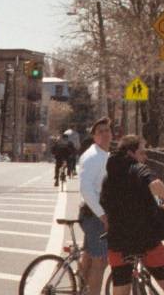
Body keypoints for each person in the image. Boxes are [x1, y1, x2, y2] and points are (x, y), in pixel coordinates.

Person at [100, 134, 164, 295]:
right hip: (146, 240)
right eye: (142, 152)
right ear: (131, 153)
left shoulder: (109, 175)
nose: (146, 156)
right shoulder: (137, 168)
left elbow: (104, 203)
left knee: (121, 290)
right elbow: (155, 184)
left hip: (118, 241)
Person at [75, 118, 113, 295]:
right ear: (94, 136)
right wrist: (102, 215)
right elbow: (86, 189)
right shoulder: (93, 156)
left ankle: (80, 290)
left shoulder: (104, 155)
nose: (105, 134)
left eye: (107, 130)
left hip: (94, 214)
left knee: (90, 258)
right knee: (100, 262)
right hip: (94, 216)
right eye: (101, 132)